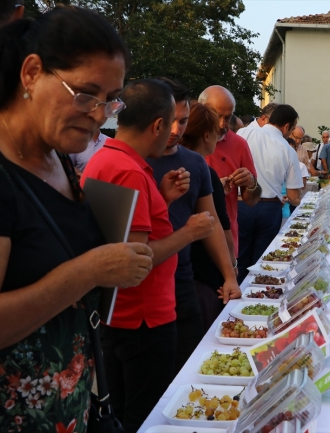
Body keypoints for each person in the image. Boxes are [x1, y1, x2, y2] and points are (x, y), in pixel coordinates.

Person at [0, 7, 154, 433]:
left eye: (110, 98)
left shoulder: (57, 154)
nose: (100, 115)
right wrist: (89, 271)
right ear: (31, 73)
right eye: (85, 94)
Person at [82, 79, 215, 433]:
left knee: (125, 408)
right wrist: (189, 232)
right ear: (157, 125)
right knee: (145, 415)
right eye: (171, 123)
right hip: (143, 319)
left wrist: (163, 198)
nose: (174, 133)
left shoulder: (107, 158)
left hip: (121, 316)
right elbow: (135, 261)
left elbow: (124, 231)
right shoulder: (128, 170)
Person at [146, 78, 240, 373]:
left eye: (183, 122)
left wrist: (229, 275)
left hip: (184, 280)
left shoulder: (196, 164)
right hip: (145, 289)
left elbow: (211, 222)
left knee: (189, 366)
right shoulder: (132, 160)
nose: (176, 130)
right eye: (171, 121)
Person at [181, 102, 241, 334]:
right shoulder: (202, 169)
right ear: (207, 136)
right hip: (204, 275)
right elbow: (221, 227)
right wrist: (232, 269)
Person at [236, 104, 304, 281]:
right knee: (262, 262)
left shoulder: (244, 133)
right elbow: (294, 195)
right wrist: (298, 201)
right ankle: (254, 299)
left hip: (240, 204)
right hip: (269, 209)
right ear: (287, 126)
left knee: (238, 258)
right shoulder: (288, 149)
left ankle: (232, 301)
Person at [200, 85, 261, 256]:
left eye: (227, 118)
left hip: (225, 240)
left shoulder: (239, 144)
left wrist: (250, 183)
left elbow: (252, 200)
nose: (222, 124)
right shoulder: (183, 141)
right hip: (189, 240)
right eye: (216, 116)